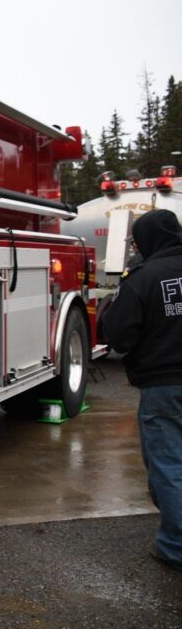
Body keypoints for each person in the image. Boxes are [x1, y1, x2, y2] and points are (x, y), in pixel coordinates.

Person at [100, 209, 182, 572]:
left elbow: (117, 335)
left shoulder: (144, 278)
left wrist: (109, 305)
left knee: (169, 463)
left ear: (146, 240)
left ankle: (175, 545)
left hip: (165, 385)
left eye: (135, 241)